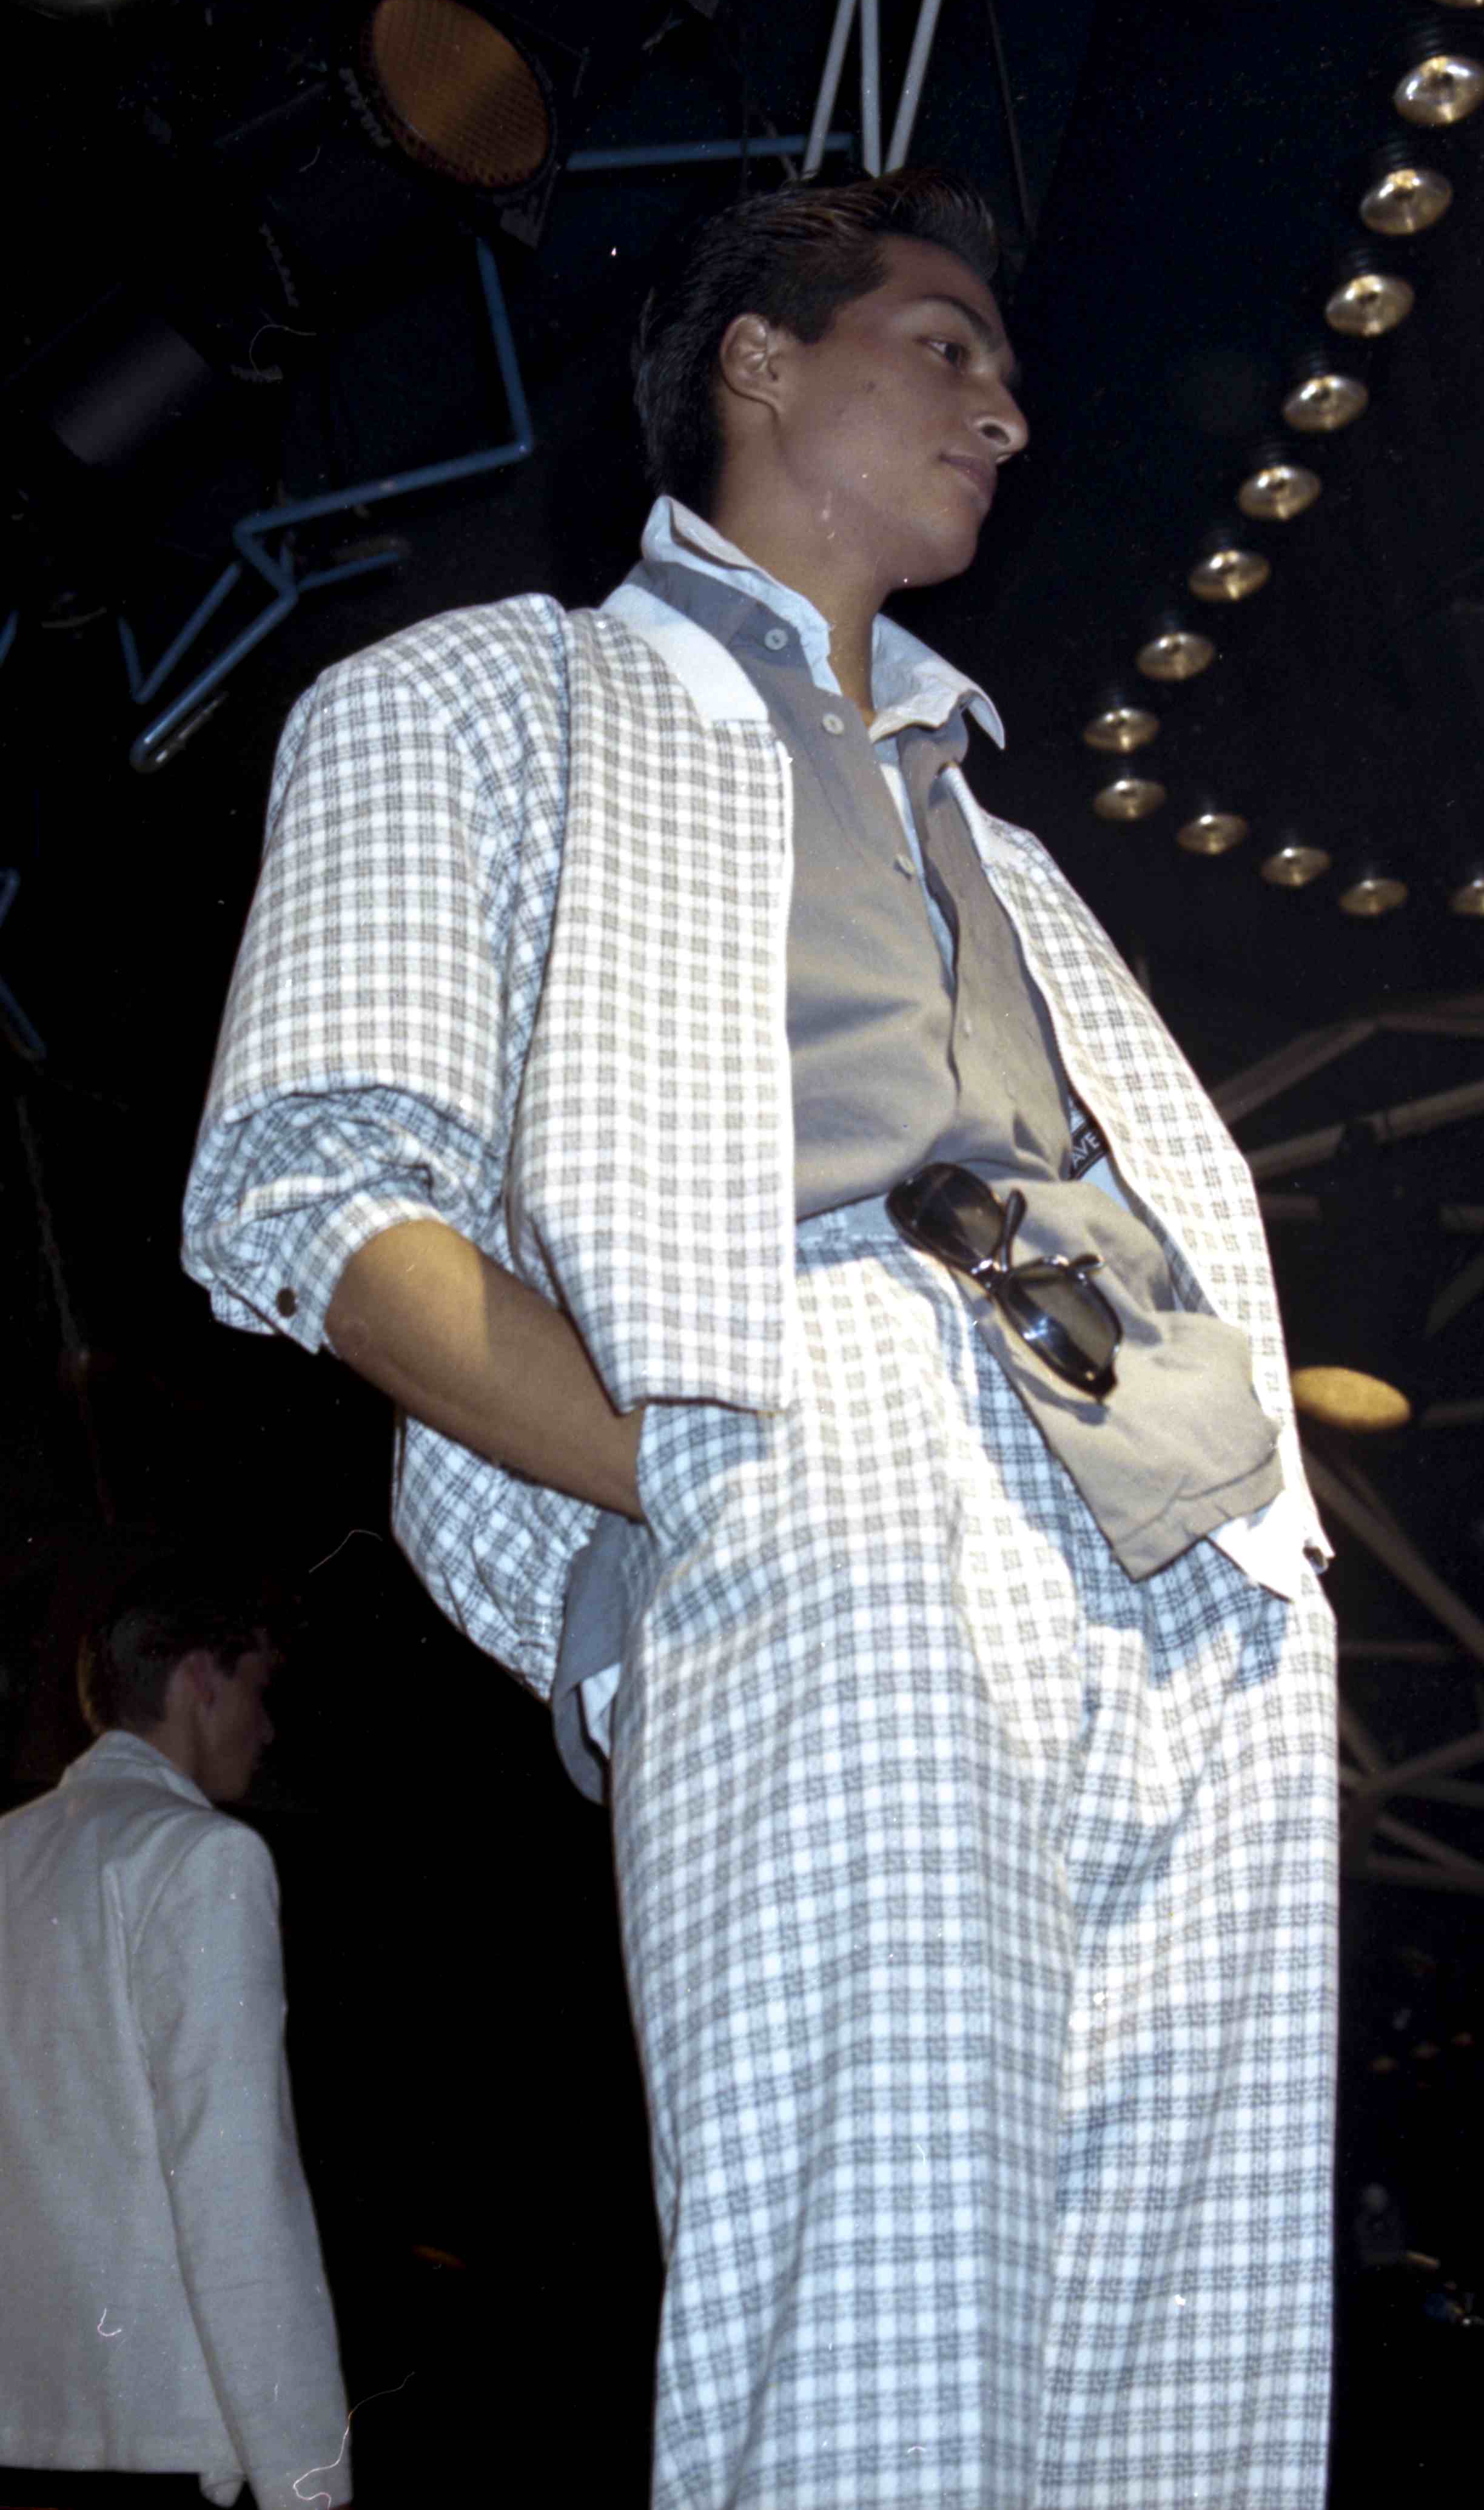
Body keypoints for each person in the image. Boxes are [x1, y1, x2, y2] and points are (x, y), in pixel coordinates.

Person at [183, 169, 1338, 2508]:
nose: (1006, 413)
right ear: (756, 358)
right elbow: (309, 1184)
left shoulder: (1002, 840)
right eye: (945, 346)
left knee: (1197, 2371)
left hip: (1177, 1517)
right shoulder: (480, 696)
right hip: (819, 1447)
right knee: (876, 2341)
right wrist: (714, 1467)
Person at [0, 1553, 352, 2510]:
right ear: (202, 1676)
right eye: (258, 1688)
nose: (266, 1727)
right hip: (149, 2445)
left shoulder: (8, 1852)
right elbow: (238, 2194)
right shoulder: (204, 1856)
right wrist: (308, 2482)